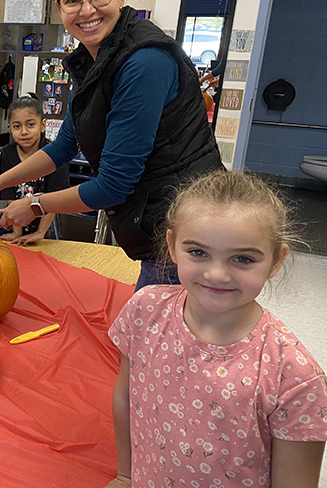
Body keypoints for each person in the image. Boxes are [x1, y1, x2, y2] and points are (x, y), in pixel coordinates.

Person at [0, 0, 223, 289]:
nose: (87, 9)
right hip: (164, 225)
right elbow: (63, 147)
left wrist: (35, 204)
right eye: (72, 0)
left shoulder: (144, 62)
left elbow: (114, 185)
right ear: (59, 9)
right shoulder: (92, 60)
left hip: (190, 230)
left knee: (167, 336)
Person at [105, 170, 327, 487]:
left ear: (276, 261)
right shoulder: (144, 311)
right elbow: (126, 397)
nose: (217, 274)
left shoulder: (294, 376)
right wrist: (126, 476)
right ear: (172, 244)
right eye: (198, 252)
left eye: (243, 258)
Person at [0, 96, 69, 245]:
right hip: (12, 224)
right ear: (10, 127)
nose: (24, 132)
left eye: (30, 125)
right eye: (17, 126)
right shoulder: (7, 154)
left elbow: (54, 198)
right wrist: (16, 233)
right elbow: (10, 196)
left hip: (43, 227)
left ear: (42, 125)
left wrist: (40, 233)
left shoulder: (55, 155)